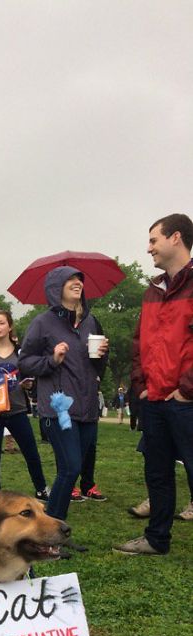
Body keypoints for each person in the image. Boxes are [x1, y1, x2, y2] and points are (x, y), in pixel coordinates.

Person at [115, 213, 193, 555]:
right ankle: (157, 538)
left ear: (175, 238)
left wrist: (187, 390)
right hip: (155, 400)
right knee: (157, 473)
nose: (149, 248)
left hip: (186, 401)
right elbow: (139, 342)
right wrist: (141, 385)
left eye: (153, 240)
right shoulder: (152, 290)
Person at [19, 267, 109, 522]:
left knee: (73, 468)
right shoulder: (42, 322)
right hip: (59, 408)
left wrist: (103, 354)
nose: (77, 282)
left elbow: (96, 367)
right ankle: (51, 524)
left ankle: (51, 523)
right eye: (70, 279)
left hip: (87, 406)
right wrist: (52, 359)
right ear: (56, 287)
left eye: (80, 279)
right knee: (70, 467)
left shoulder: (91, 321)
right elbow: (24, 362)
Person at [0, 309, 49, 500]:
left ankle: (41, 489)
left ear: (10, 326)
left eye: (1, 323)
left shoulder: (21, 352)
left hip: (17, 410)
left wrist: (29, 384)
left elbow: (31, 375)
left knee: (31, 453)